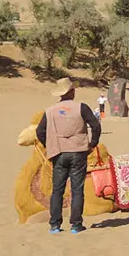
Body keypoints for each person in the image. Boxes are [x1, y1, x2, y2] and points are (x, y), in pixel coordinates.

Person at [35, 78, 102, 234]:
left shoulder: (50, 110)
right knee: (77, 189)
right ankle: (76, 225)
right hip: (79, 152)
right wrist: (93, 144)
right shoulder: (82, 108)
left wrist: (49, 145)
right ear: (71, 92)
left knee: (57, 190)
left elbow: (40, 131)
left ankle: (55, 225)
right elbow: (96, 126)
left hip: (58, 153)